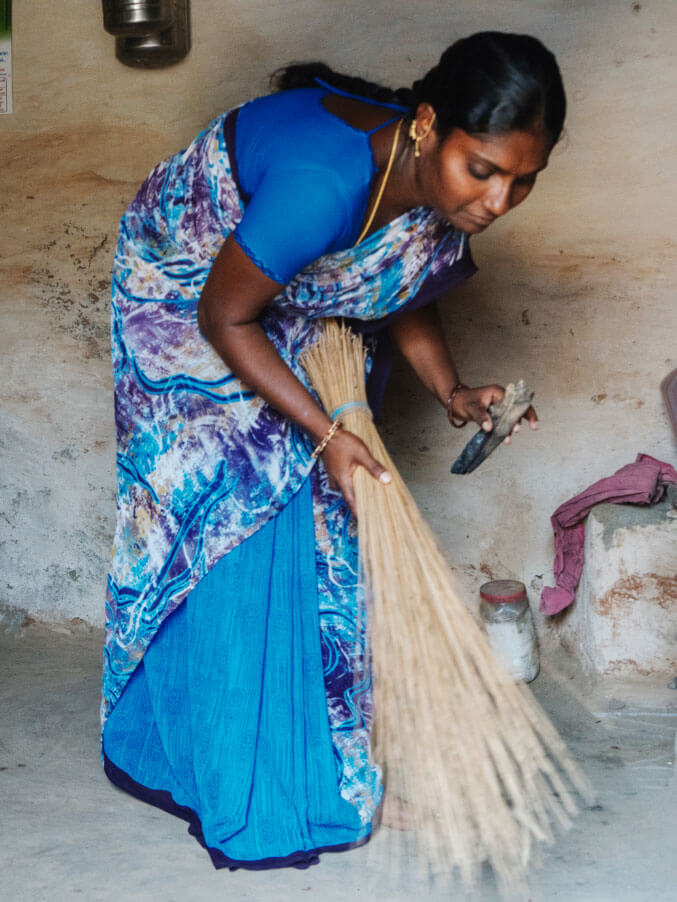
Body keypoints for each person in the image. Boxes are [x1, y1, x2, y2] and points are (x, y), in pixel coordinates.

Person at [103, 32, 564, 869]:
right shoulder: (325, 183)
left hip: (277, 297)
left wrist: (453, 394)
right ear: (427, 127)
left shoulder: (425, 182)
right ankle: (228, 768)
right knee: (238, 504)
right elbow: (224, 318)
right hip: (184, 298)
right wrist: (327, 432)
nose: (498, 200)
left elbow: (390, 285)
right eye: (484, 170)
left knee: (318, 526)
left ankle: (321, 762)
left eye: (521, 179)